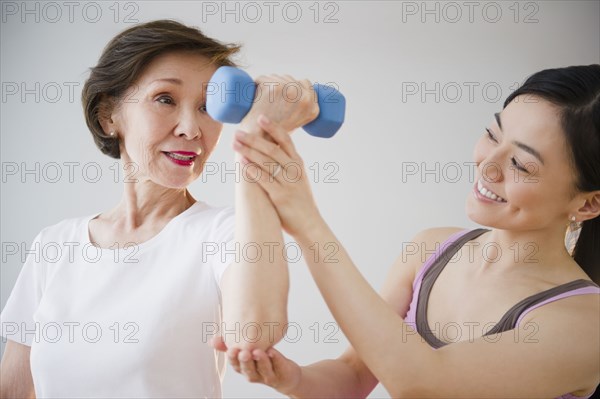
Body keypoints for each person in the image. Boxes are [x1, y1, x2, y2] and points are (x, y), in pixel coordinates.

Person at [216, 65, 600, 398]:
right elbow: (352, 377)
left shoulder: (586, 324)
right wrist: (291, 378)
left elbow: (421, 384)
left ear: (587, 204)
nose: (488, 167)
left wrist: (307, 221)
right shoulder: (430, 248)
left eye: (520, 163)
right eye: (493, 134)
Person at [0, 19, 319, 398]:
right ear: (108, 115)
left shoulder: (226, 232)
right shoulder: (53, 245)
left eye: (206, 107)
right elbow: (14, 390)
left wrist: (254, 144)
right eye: (165, 99)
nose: (191, 128)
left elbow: (254, 332)